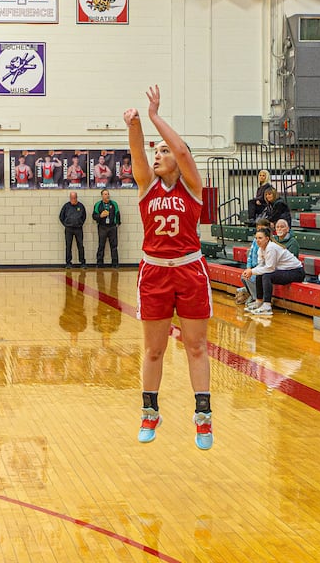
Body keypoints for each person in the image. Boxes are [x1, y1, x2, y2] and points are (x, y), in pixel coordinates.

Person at [123, 85, 213, 450]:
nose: (157, 155)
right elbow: (136, 153)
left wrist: (157, 116)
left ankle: (203, 418)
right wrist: (135, 125)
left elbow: (178, 148)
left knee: (196, 346)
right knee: (154, 350)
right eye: (155, 151)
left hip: (189, 271)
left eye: (163, 152)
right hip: (155, 272)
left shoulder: (192, 186)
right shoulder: (147, 186)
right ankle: (150, 411)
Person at [241, 227, 305, 316]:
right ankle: (259, 302)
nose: (257, 240)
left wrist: (252, 271)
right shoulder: (261, 249)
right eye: (256, 238)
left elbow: (270, 268)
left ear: (267, 238)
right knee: (260, 274)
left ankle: (267, 306)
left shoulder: (271, 247)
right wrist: (251, 271)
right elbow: (261, 266)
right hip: (284, 271)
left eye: (260, 238)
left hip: (296, 272)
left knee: (267, 275)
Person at [237, 218, 272, 307]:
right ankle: (253, 296)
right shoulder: (255, 240)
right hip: (255, 267)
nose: (259, 230)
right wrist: (249, 268)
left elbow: (265, 262)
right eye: (258, 228)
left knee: (252, 277)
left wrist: (253, 271)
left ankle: (258, 299)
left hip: (262, 267)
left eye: (261, 228)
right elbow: (250, 256)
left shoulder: (269, 242)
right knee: (244, 276)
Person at [92, 189, 120, 268]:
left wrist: (117, 224)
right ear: (102, 196)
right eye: (105, 194)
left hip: (112, 227)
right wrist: (100, 216)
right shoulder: (98, 204)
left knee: (114, 246)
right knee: (101, 245)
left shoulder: (114, 204)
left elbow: (117, 214)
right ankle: (99, 263)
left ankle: (115, 263)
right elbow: (94, 216)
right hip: (102, 227)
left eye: (108, 194)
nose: (107, 195)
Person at [59, 191, 87, 268]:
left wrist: (80, 223)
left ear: (76, 198)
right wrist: (66, 224)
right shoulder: (66, 206)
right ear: (70, 198)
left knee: (80, 246)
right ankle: (68, 263)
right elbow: (61, 217)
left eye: (74, 198)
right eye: (71, 198)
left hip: (78, 229)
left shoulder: (81, 206)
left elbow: (84, 217)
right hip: (68, 229)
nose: (73, 199)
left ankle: (82, 262)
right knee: (68, 246)